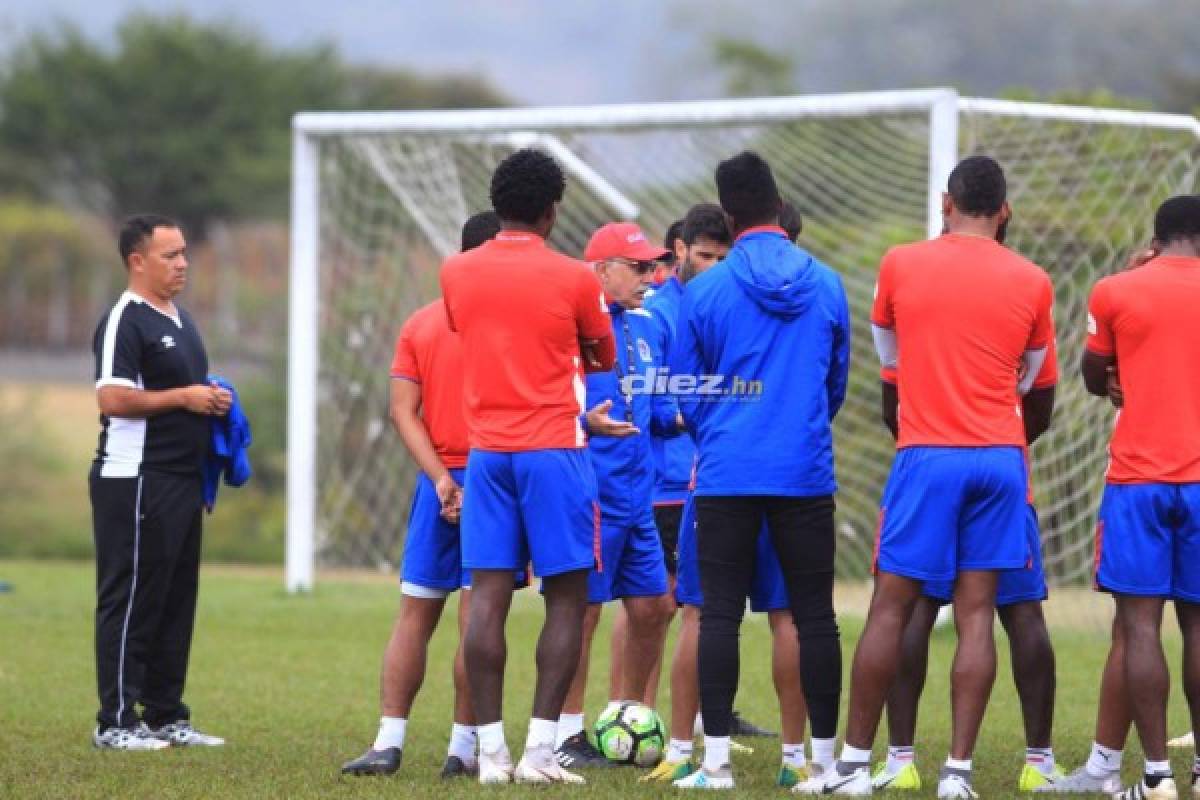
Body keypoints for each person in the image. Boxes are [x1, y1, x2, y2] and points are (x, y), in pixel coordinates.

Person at [805, 155, 1056, 798]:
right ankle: (958, 775)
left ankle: (858, 767)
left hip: (928, 453)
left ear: (948, 203)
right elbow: (1037, 392)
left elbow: (892, 374)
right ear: (1004, 211)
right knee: (977, 616)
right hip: (1001, 458)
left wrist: (919, 432)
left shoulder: (900, 263)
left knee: (892, 607)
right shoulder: (1033, 279)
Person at [671, 152, 850, 790]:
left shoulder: (705, 289)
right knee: (814, 616)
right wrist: (794, 425)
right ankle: (822, 765)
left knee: (717, 613)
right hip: (803, 472)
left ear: (727, 214)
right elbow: (835, 385)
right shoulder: (827, 283)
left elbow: (687, 392)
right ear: (779, 205)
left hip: (725, 473)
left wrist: (722, 431)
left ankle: (715, 764)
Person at [440, 148, 615, 785]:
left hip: (486, 454)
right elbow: (602, 356)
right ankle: (541, 751)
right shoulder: (575, 278)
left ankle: (490, 754)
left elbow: (468, 332)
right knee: (566, 596)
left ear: (497, 206)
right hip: (554, 451)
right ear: (550, 212)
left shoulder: (456, 272)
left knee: (486, 595)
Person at [340, 211, 503, 779]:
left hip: (439, 481)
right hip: (494, 478)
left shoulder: (421, 322)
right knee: (475, 615)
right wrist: (457, 478)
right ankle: (461, 750)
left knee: (417, 611)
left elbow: (401, 413)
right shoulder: (511, 325)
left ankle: (391, 742)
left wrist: (438, 477)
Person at [871, 351, 1061, 793]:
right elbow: (1042, 405)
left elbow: (890, 402)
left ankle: (901, 760)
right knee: (1021, 613)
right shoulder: (1023, 289)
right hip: (1001, 478)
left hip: (930, 476)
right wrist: (1002, 444)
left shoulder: (917, 293)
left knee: (912, 609)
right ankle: (1039, 763)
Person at [90, 214, 230, 750]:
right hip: (136, 479)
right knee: (132, 599)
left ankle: (165, 714)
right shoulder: (126, 319)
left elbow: (187, 391)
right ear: (137, 261)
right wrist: (185, 398)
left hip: (180, 480)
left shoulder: (180, 318)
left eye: (184, 253)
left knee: (175, 598)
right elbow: (112, 396)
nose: (182, 264)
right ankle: (116, 722)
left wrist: (212, 400)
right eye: (170, 255)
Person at [1081, 194, 1200, 800]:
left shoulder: (1117, 289)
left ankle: (1156, 777)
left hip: (1138, 480)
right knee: (1199, 627)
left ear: (1156, 238)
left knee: (1140, 627)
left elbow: (1091, 372)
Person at [553, 222, 679, 768]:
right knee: (583, 611)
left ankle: (626, 716)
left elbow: (663, 398)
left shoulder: (652, 324)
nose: (650, 277)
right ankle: (566, 732)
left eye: (653, 266)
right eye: (637, 267)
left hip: (639, 494)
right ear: (601, 270)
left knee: (654, 606)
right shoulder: (572, 325)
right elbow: (546, 396)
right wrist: (584, 421)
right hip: (592, 491)